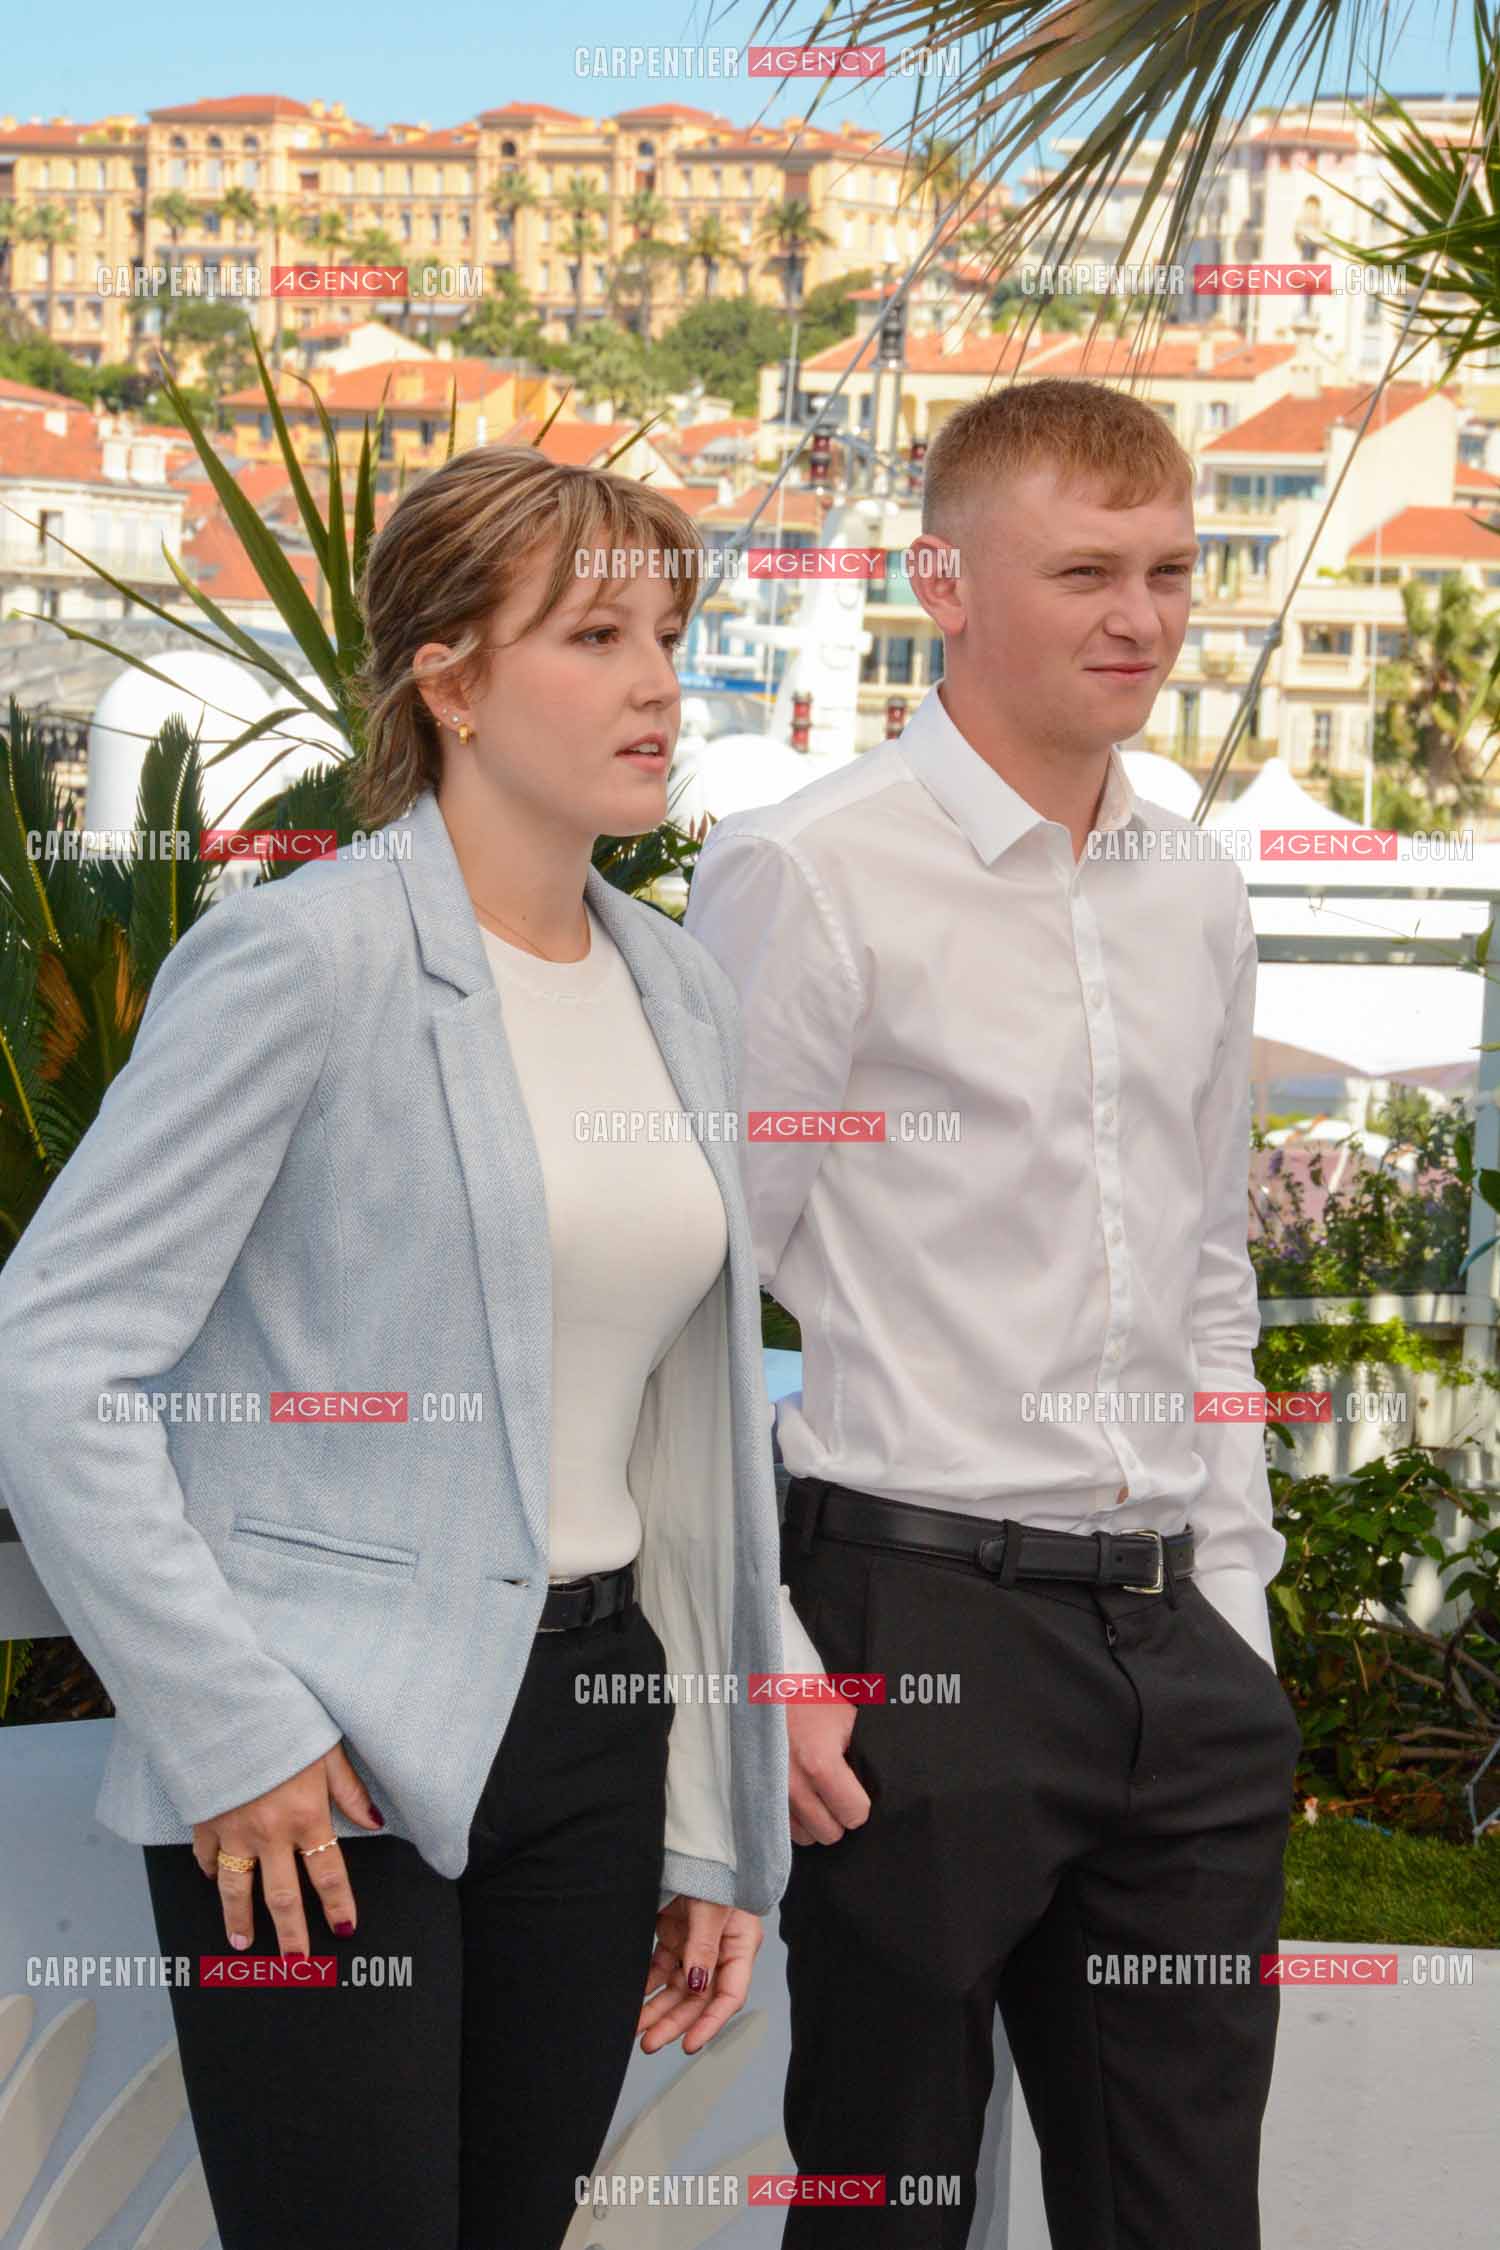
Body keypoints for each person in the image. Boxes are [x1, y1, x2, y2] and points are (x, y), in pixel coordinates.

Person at [0, 446, 797, 2250]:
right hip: (325, 1754)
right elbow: (52, 1355)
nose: (659, 681)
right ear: (448, 676)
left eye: (670, 631)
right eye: (594, 634)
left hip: (599, 1730)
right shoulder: (303, 960)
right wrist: (231, 1728)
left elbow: (679, 1434)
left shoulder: (678, 989)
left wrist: (706, 1821)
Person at [683, 377, 1303, 2249]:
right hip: (909, 1622)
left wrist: (1240, 1612)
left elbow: (1210, 1267)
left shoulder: (1194, 883)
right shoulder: (811, 867)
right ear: (943, 581)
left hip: (1173, 1641)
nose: (1143, 617)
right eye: (1089, 572)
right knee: (888, 2200)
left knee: (1183, 2211)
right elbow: (697, 1290)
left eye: (1176, 572)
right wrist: (768, 1646)